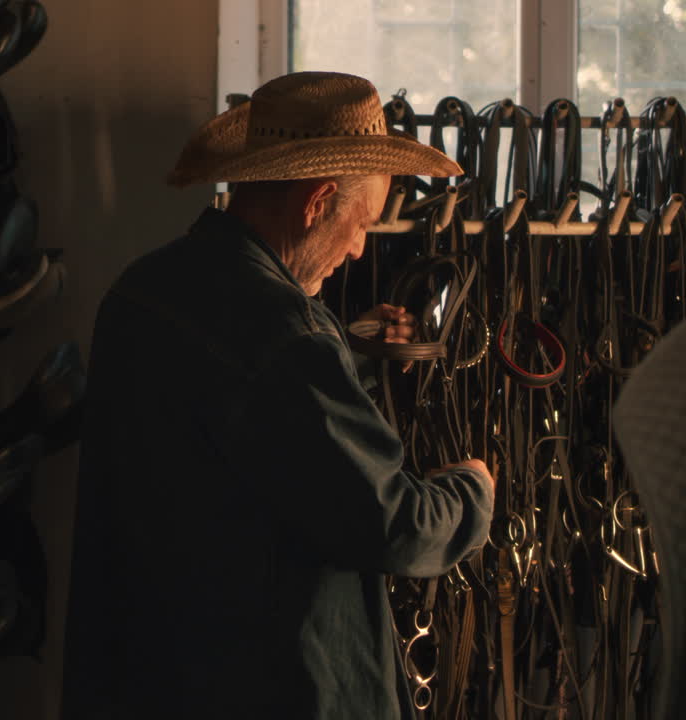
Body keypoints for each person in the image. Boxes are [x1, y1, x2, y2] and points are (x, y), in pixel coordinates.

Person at [61, 71, 495, 720]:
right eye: (361, 224)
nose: (356, 250)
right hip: (270, 689)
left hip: (144, 681)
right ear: (317, 202)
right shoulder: (287, 337)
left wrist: (352, 365)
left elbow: (240, 438)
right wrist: (471, 494)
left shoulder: (142, 291)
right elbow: (391, 523)